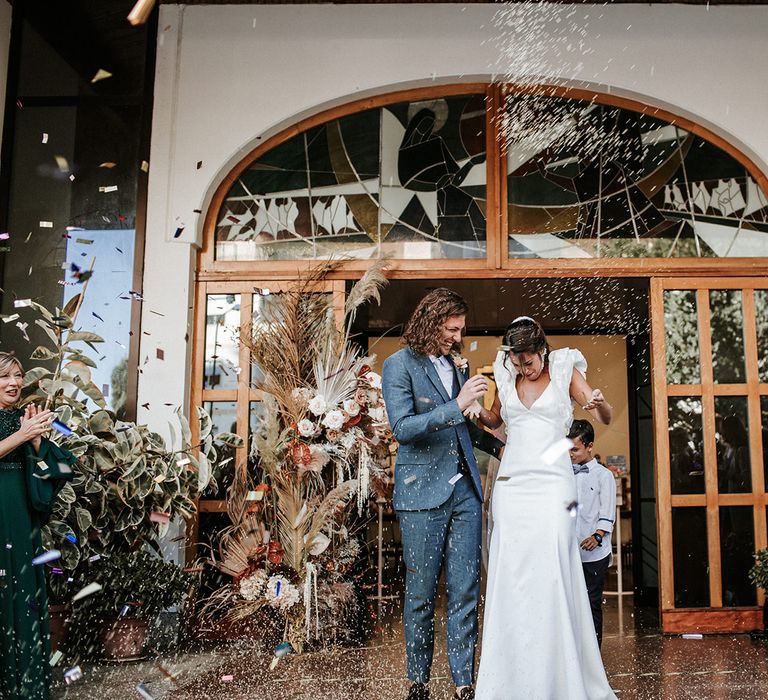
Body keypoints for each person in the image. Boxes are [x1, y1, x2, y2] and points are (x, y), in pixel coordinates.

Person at [472, 317, 616, 699]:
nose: (523, 368)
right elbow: (496, 420)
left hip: (553, 483)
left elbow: (605, 416)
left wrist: (600, 405)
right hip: (513, 485)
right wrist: (475, 410)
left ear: (543, 350)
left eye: (529, 361)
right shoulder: (506, 372)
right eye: (517, 362)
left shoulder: (567, 366)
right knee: (512, 572)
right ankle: (510, 678)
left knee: (553, 566)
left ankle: (560, 672)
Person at [382, 288, 501, 700]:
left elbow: (463, 428)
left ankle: (463, 681)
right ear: (431, 322)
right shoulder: (398, 365)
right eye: (451, 329)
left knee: (466, 588)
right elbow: (403, 427)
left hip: (465, 491)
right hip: (421, 494)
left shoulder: (456, 365)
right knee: (421, 591)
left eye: (461, 330)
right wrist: (458, 404)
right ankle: (418, 681)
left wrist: (507, 447)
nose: (457, 336)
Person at [0, 352, 55, 700]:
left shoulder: (25, 419)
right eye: (5, 376)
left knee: (22, 593)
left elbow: (54, 473)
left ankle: (25, 686)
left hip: (22, 518)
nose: (14, 382)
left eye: (18, 375)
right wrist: (23, 436)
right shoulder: (20, 426)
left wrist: (37, 442)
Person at [568, 419, 616, 648]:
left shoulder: (604, 476)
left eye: (575, 449)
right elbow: (570, 508)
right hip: (571, 549)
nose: (570, 454)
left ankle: (593, 653)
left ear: (589, 446)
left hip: (595, 553)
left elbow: (607, 511)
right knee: (571, 605)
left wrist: (597, 535)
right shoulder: (566, 474)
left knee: (591, 602)